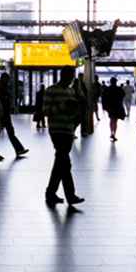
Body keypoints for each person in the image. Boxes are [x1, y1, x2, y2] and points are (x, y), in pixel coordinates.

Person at [43, 66, 85, 206]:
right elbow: (46, 111)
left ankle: (51, 193)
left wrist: (74, 110)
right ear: (64, 75)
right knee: (64, 161)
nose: (72, 79)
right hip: (57, 130)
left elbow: (80, 106)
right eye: (71, 75)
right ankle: (69, 195)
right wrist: (62, 105)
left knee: (61, 162)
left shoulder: (71, 91)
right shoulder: (51, 90)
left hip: (68, 130)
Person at [0, 73, 29, 157]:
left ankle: (19, 149)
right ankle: (18, 149)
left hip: (4, 114)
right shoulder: (0, 89)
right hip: (2, 115)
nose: (8, 81)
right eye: (7, 79)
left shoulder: (3, 88)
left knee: (3, 133)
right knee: (3, 134)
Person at [103, 77, 126, 141]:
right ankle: (114, 134)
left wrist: (104, 106)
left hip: (110, 107)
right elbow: (123, 95)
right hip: (117, 106)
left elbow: (104, 97)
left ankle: (111, 132)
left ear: (110, 82)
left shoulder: (107, 89)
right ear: (116, 82)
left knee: (111, 119)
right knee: (115, 121)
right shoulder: (119, 89)